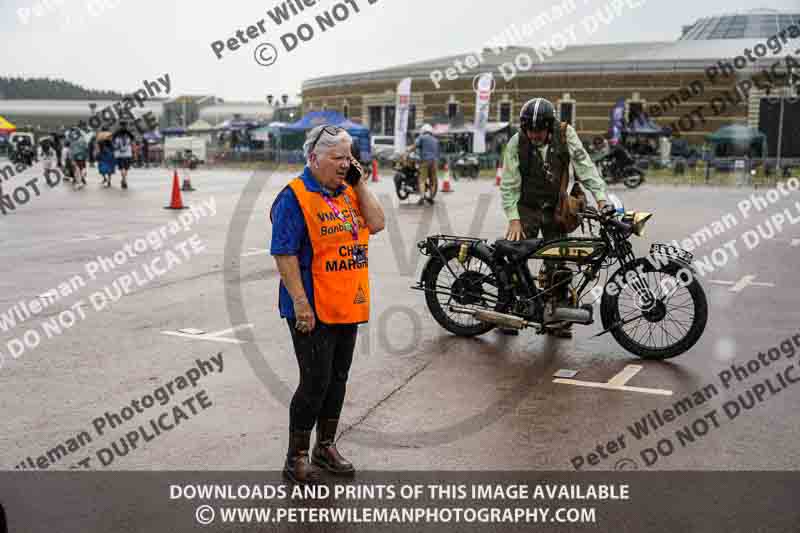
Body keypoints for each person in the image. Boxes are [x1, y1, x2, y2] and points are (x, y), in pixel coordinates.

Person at [270, 124, 386, 484]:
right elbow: (284, 253)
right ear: (313, 158)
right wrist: (301, 304)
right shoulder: (295, 196)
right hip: (312, 307)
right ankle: (297, 455)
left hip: (346, 303)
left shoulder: (349, 191)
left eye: (348, 157)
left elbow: (378, 224)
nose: (344, 164)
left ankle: (326, 446)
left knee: (338, 378)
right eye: (337, 158)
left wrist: (360, 183)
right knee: (315, 381)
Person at [500, 98, 608, 339]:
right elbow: (509, 185)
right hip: (526, 207)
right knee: (513, 255)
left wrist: (601, 198)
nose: (534, 135)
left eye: (539, 130)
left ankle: (558, 316)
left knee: (558, 260)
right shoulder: (516, 143)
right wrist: (514, 219)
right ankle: (507, 308)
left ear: (549, 126)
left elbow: (585, 166)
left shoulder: (566, 134)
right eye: (530, 130)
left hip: (556, 208)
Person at [407, 124, 440, 205]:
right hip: (434, 161)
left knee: (422, 180)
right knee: (432, 181)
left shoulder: (422, 137)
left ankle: (422, 197)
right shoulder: (436, 140)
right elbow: (438, 152)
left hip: (425, 161)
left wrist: (408, 150)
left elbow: (414, 146)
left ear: (423, 131)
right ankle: (431, 197)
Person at [112, 122, 135, 189]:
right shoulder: (129, 135)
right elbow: (132, 143)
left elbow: (114, 145)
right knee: (126, 168)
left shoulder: (116, 136)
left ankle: (123, 179)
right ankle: (124, 180)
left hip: (119, 155)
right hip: (128, 154)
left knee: (122, 168)